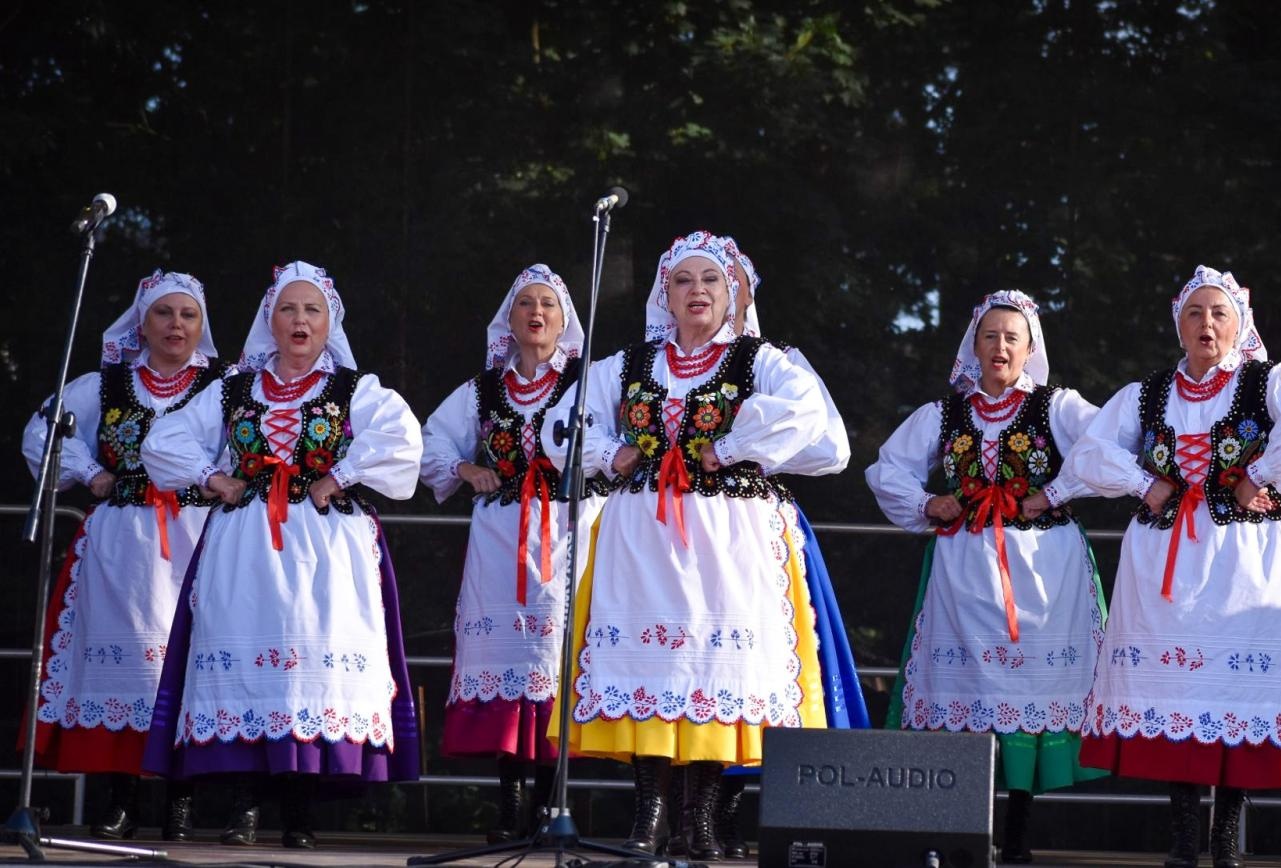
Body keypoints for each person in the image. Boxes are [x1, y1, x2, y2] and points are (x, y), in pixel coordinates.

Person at [544, 231, 830, 860]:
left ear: (731, 294)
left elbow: (810, 415)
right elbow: (561, 424)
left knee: (711, 668)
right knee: (648, 667)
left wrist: (728, 448)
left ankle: (699, 820)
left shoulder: (760, 360)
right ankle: (648, 817)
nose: (696, 291)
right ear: (665, 296)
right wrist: (608, 453)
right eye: (683, 280)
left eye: (710, 280)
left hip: (728, 534)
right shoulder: (629, 364)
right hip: (642, 534)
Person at [1067, 266, 1281, 868]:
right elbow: (1091, 451)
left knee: (1237, 690)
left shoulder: (1267, 380)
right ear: (1178, 325)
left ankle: (1225, 838)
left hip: (1249, 557)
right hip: (1169, 561)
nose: (1207, 323)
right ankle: (1183, 840)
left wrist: (1260, 473)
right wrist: (1143, 482)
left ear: (1239, 324)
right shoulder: (1148, 392)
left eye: (1219, 313)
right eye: (1195, 313)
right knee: (1178, 690)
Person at [140, 261, 423, 849]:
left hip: (326, 547)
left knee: (305, 669)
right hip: (245, 543)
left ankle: (299, 811)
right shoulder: (234, 389)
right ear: (270, 320)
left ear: (328, 322)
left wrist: (339, 476)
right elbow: (164, 440)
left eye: (311, 310)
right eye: (288, 309)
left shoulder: (354, 389)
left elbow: (401, 437)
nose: (300, 320)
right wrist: (213, 478)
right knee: (246, 662)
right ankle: (243, 805)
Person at [866, 290, 1107, 863]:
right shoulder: (944, 414)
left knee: (1029, 691)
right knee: (968, 689)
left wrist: (1053, 493)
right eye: (990, 336)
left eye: (1012, 337)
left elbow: (1110, 448)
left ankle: (1017, 832)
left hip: (1043, 569)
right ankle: (962, 833)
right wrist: (929, 503)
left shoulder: (1057, 407)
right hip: (964, 571)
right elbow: (886, 469)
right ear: (973, 346)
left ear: (1029, 349)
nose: (1000, 346)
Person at [667, 235, 861, 859]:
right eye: (691, 280)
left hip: (753, 526)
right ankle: (681, 819)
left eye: (728, 282)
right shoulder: (657, 363)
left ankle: (724, 819)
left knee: (746, 666)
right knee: (677, 663)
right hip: (671, 530)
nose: (711, 291)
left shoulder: (774, 365)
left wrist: (746, 450)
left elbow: (831, 450)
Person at [20, 270, 222, 841]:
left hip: (198, 536)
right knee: (128, 668)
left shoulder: (224, 387)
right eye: (163, 313)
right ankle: (122, 800)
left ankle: (181, 803)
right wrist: (91, 472)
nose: (176, 325)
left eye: (187, 315)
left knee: (190, 664)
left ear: (201, 325)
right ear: (141, 322)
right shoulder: (105, 386)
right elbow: (41, 433)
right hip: (123, 547)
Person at [420, 264, 607, 843]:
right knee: (508, 665)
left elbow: (618, 441)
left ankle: (552, 806)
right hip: (501, 537)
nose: (536, 312)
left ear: (564, 318)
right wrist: (464, 467)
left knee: (556, 659)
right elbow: (430, 441)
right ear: (510, 317)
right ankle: (510, 806)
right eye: (526, 302)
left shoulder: (588, 382)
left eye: (548, 303)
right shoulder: (483, 389)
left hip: (569, 530)